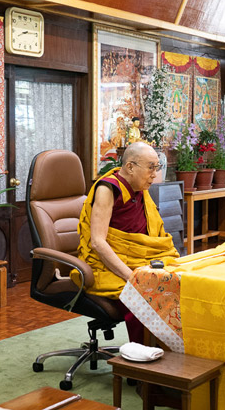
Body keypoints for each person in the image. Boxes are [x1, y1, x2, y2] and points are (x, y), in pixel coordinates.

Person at [75, 142, 178, 343]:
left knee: (175, 283)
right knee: (141, 298)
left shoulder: (139, 188)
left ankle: (173, 355)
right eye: (150, 167)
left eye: (156, 168)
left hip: (141, 261)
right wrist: (131, 276)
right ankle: (141, 363)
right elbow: (97, 242)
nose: (154, 175)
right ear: (130, 167)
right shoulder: (108, 189)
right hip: (108, 267)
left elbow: (151, 238)